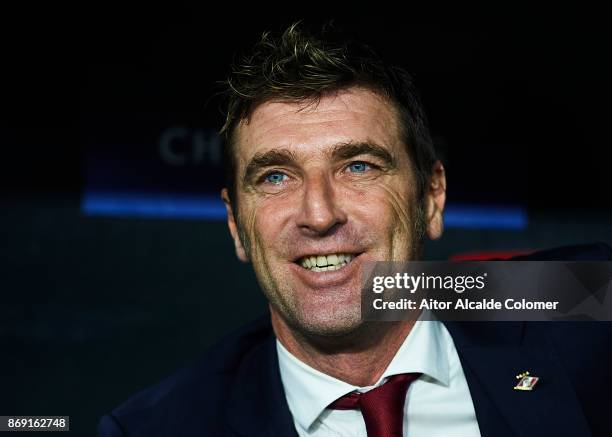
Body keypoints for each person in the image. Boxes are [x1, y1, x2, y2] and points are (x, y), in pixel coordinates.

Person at [98, 22, 612, 436]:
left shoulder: (580, 301)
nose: (319, 215)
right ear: (236, 224)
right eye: (276, 176)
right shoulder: (159, 426)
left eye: (358, 166)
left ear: (431, 198)